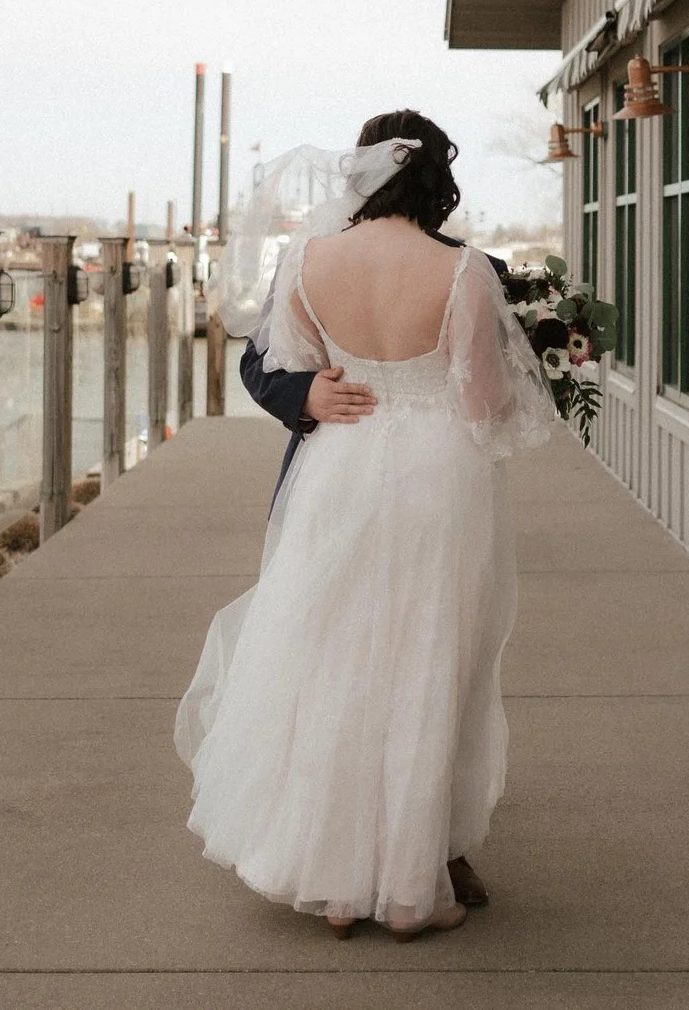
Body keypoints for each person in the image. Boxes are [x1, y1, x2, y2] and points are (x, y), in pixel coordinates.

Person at [174, 111, 560, 938]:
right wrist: (532, 370)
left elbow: (287, 352)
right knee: (429, 659)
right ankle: (411, 889)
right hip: (438, 478)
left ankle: (340, 886)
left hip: (340, 468)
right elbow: (485, 406)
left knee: (333, 657)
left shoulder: (308, 260)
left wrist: (327, 385)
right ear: (436, 178)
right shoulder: (464, 272)